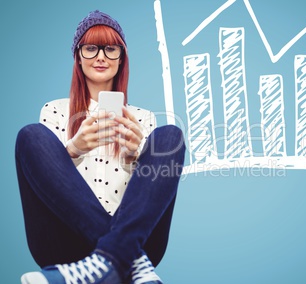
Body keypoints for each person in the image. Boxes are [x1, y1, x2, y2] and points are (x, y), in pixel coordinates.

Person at [15, 10, 185, 284]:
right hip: (65, 243)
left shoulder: (142, 119)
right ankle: (131, 263)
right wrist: (72, 149)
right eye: (91, 48)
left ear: (122, 57)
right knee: (31, 135)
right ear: (78, 57)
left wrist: (134, 157)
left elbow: (149, 195)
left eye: (110, 48)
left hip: (136, 235)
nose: (101, 56)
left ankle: (110, 258)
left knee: (170, 136)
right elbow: (46, 184)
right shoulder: (54, 111)